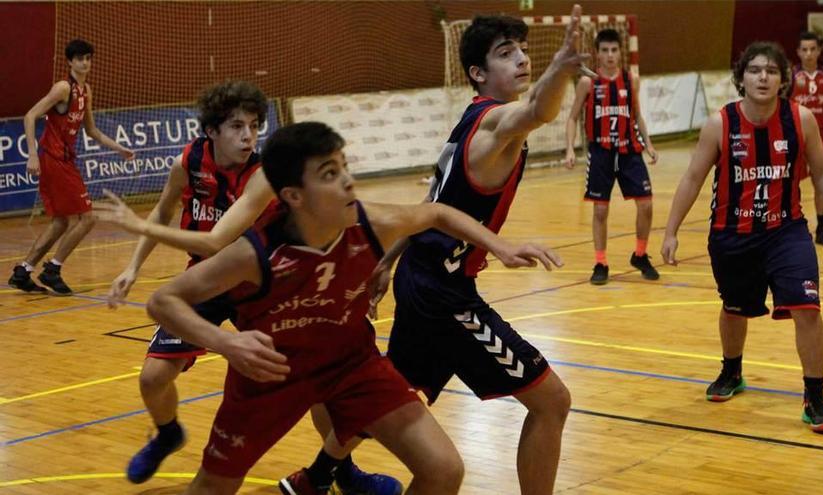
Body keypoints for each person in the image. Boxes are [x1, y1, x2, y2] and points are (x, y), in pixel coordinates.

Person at [146, 121, 562, 495]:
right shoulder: (254, 254)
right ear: (293, 196)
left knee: (443, 469)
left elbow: (436, 212)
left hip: (352, 366)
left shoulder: (369, 223)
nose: (348, 181)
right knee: (214, 486)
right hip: (274, 375)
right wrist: (224, 342)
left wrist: (501, 247)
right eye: (330, 174)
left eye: (344, 166)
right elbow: (163, 300)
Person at [362, 7, 586, 494]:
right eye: (507, 54)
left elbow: (432, 204)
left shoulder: (471, 121)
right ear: (478, 74)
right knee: (552, 402)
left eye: (524, 51)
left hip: (421, 277)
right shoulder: (494, 123)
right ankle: (325, 427)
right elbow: (537, 112)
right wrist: (560, 68)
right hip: (442, 292)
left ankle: (321, 467)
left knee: (394, 399)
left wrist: (389, 259)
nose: (522, 60)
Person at [661, 41, 823, 434]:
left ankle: (815, 396)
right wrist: (671, 231)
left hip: (786, 231)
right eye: (754, 70)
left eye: (771, 71)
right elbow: (692, 178)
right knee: (735, 307)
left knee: (808, 308)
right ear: (741, 78)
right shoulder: (721, 123)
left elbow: (822, 171)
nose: (763, 77)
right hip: (732, 235)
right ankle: (732, 371)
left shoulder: (800, 119)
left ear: (783, 79)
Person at [109, 80, 268, 484]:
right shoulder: (188, 162)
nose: (248, 135)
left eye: (253, 125)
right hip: (206, 279)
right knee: (152, 379)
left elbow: (222, 239)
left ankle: (337, 468)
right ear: (211, 131)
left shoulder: (263, 174)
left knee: (310, 373)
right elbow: (162, 213)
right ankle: (168, 434)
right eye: (236, 126)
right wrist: (132, 267)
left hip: (258, 282)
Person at [8, 39, 134, 295]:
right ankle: (52, 269)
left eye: (88, 58)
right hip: (53, 159)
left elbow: (92, 130)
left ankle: (23, 271)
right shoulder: (62, 88)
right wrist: (32, 155)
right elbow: (30, 115)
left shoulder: (85, 91)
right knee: (87, 218)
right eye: (80, 58)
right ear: (70, 61)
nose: (85, 63)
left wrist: (119, 148)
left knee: (60, 222)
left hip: (65, 160)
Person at [564, 28, 659, 285]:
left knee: (647, 204)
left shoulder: (631, 80)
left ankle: (640, 254)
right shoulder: (588, 83)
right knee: (601, 211)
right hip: (601, 153)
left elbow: (637, 115)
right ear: (596, 53)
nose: (609, 55)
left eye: (614, 50)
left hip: (629, 151)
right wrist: (570, 148)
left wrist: (648, 144)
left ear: (620, 52)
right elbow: (572, 117)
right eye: (604, 50)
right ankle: (601, 262)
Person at [790, 31, 823, 246]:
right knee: (791, 183)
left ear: (819, 51)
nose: (809, 53)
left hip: (821, 133)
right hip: (797, 134)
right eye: (805, 49)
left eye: (813, 49)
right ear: (798, 52)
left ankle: (821, 228)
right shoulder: (792, 75)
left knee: (821, 182)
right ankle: (794, 227)